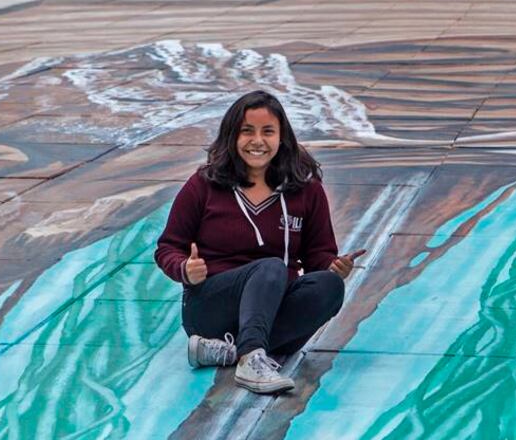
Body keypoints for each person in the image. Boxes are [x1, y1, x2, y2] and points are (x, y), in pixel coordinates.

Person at [154, 90, 365, 394]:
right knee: (269, 268)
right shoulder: (204, 184)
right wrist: (185, 269)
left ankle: (227, 351)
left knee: (329, 288)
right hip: (212, 308)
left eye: (268, 131)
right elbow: (168, 247)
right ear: (232, 137)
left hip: (273, 308)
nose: (258, 141)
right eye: (247, 131)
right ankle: (251, 358)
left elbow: (318, 255)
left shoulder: (306, 189)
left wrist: (333, 267)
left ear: (282, 138)